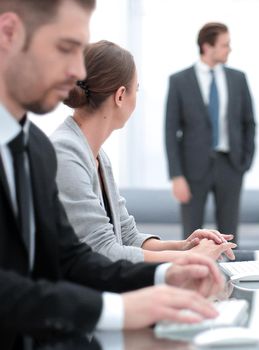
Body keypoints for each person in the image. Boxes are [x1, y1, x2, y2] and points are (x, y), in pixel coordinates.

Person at [0, 1, 224, 348]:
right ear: (9, 33)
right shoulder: (59, 150)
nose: (77, 70)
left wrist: (169, 270)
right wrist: (118, 309)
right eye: (66, 47)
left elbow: (72, 257)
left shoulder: (36, 150)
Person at [51, 40, 236, 264]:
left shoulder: (98, 154)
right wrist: (189, 258)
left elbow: (127, 236)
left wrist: (185, 246)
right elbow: (103, 251)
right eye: (135, 90)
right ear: (120, 96)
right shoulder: (65, 154)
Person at [165, 22, 256, 245]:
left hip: (230, 166)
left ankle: (230, 278)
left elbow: (249, 123)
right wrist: (176, 176)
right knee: (191, 236)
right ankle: (190, 277)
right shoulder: (179, 81)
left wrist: (244, 163)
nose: (229, 49)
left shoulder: (238, 79)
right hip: (192, 169)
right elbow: (170, 131)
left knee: (229, 237)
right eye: (225, 45)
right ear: (207, 47)